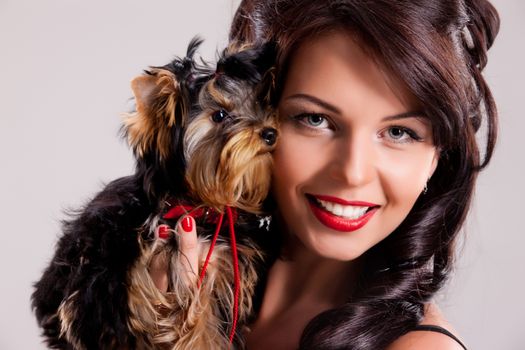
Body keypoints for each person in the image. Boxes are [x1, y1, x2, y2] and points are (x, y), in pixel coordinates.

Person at [151, 0, 500, 349]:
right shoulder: (167, 284)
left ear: (437, 156)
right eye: (315, 119)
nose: (352, 172)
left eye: (399, 133)